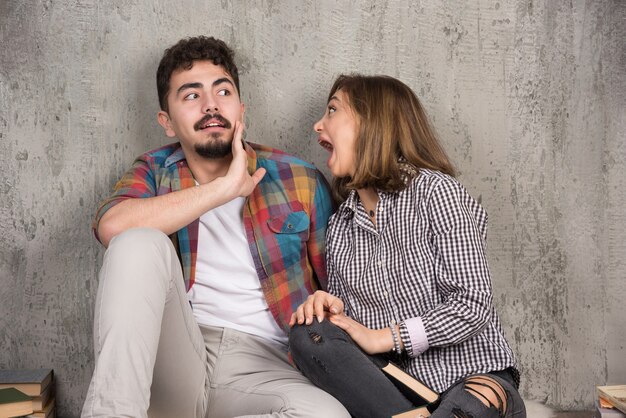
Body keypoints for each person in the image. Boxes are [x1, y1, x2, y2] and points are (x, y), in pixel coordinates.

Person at [81, 36, 349, 418]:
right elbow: (112, 228)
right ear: (167, 122)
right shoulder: (154, 171)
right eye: (191, 96)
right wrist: (223, 189)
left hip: (272, 364)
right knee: (136, 242)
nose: (210, 105)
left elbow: (341, 282)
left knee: (329, 416)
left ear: (241, 108)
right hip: (177, 357)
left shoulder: (299, 178)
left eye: (222, 91)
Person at [289, 74, 526, 418]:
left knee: (475, 402)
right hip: (396, 390)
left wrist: (386, 338)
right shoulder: (340, 227)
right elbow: (352, 340)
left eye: (332, 110)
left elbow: (473, 303)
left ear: (373, 122)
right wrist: (332, 310)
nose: (317, 125)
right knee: (309, 332)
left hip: (470, 379)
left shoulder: (436, 192)